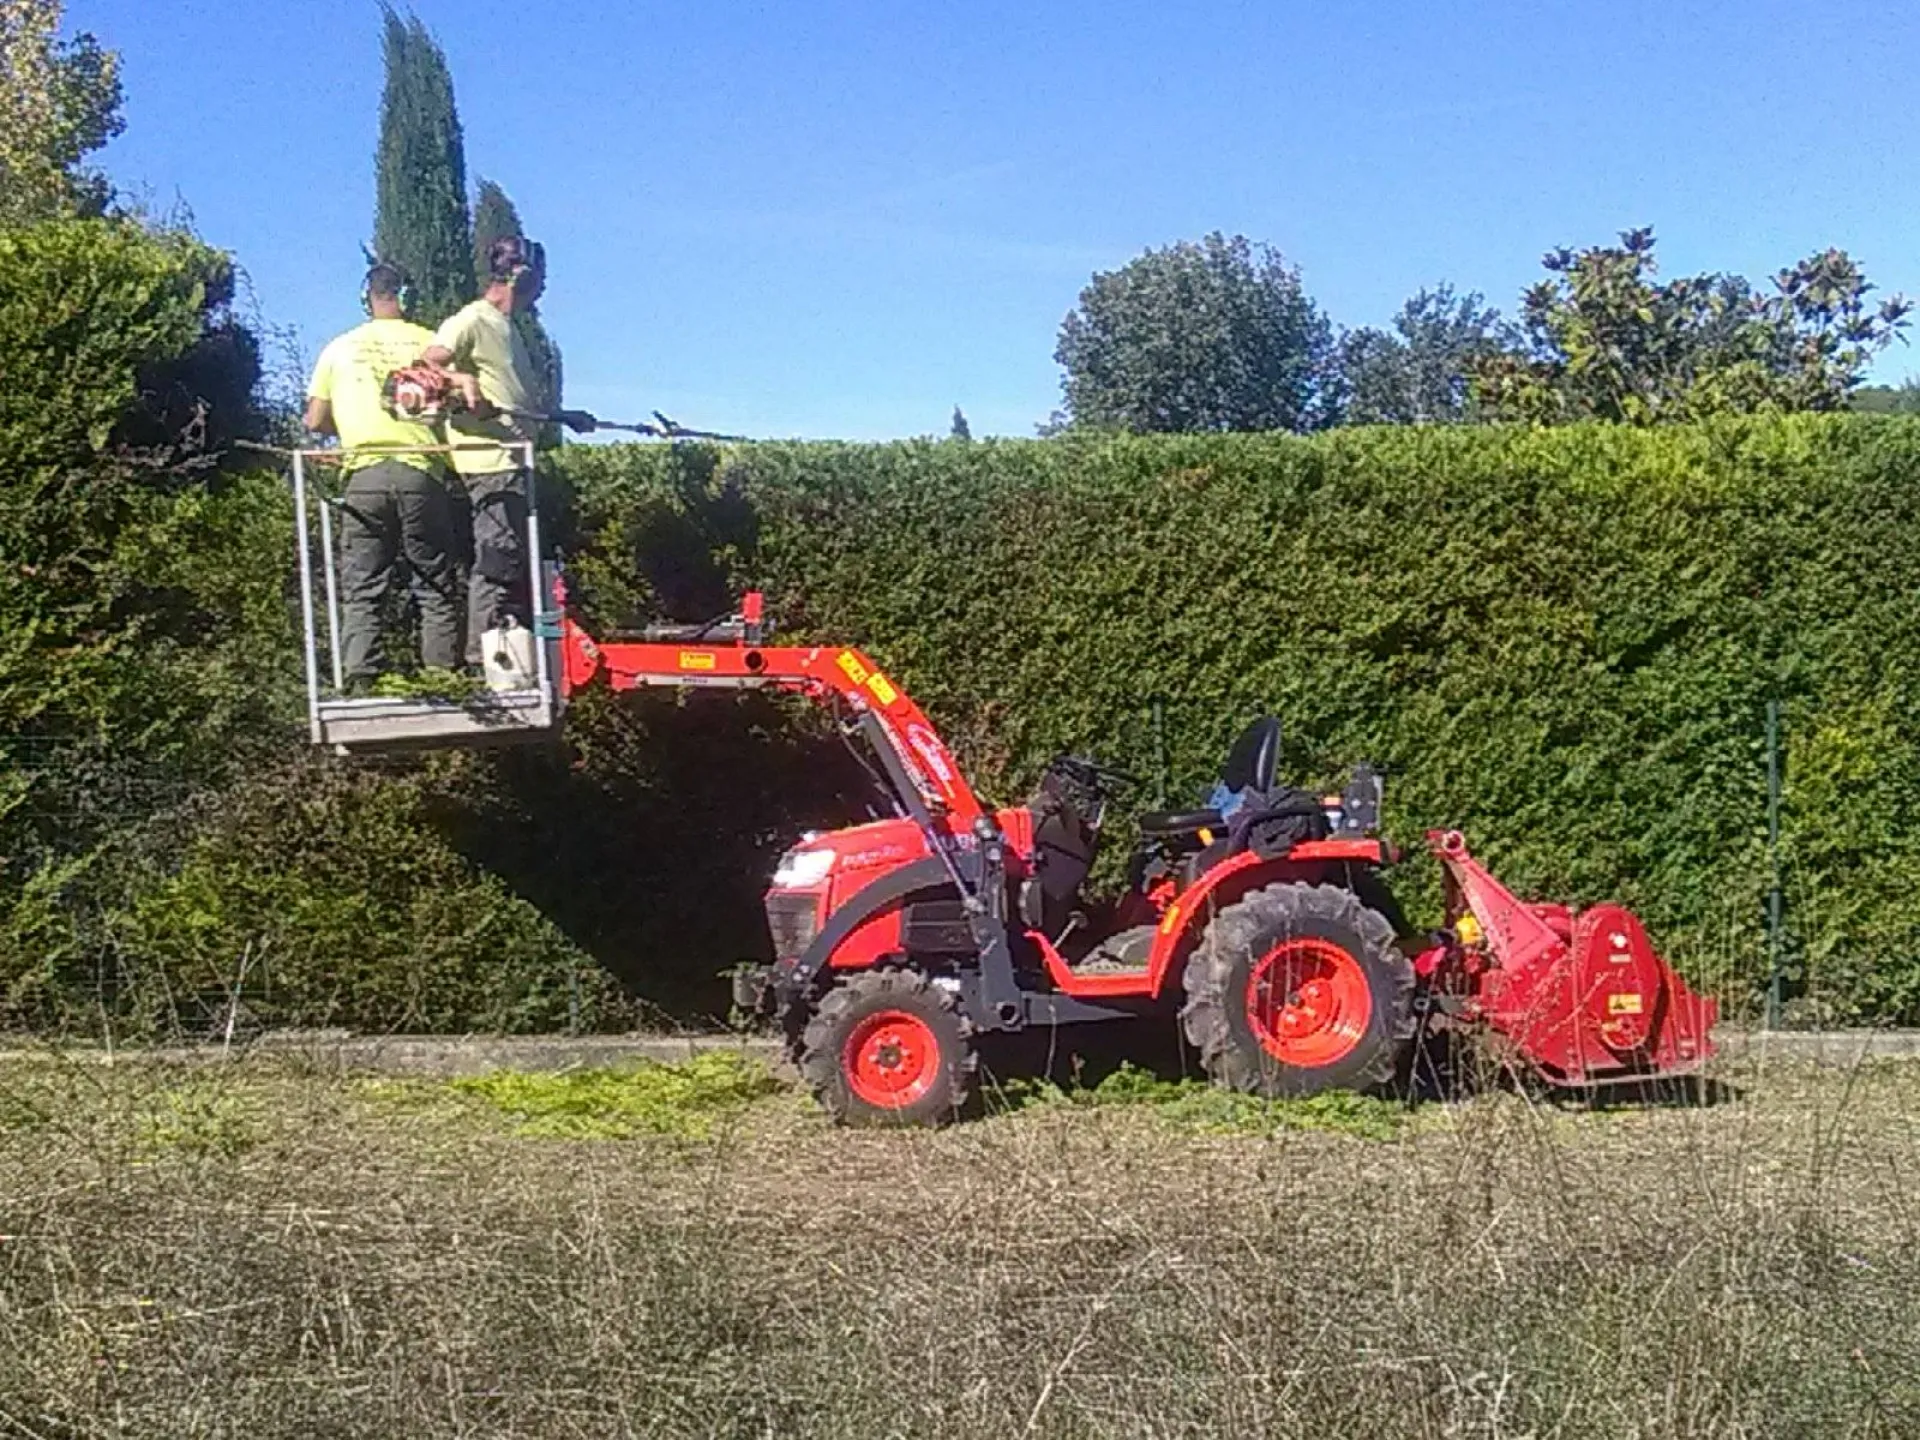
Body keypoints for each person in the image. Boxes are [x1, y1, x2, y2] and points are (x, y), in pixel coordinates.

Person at [304, 261, 460, 689]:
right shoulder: (432, 344)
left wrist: (349, 430)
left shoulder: (339, 348)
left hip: (364, 476)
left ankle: (361, 680)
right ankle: (442, 678)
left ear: (366, 298)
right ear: (407, 296)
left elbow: (314, 420)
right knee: (433, 582)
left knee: (363, 584)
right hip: (421, 473)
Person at [420, 234, 549, 666]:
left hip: (513, 460)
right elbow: (426, 363)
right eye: (541, 277)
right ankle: (483, 661)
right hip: (489, 461)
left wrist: (560, 416)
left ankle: (507, 659)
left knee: (512, 564)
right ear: (521, 276)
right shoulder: (472, 319)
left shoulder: (507, 328)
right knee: (497, 560)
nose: (544, 288)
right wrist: (462, 381)